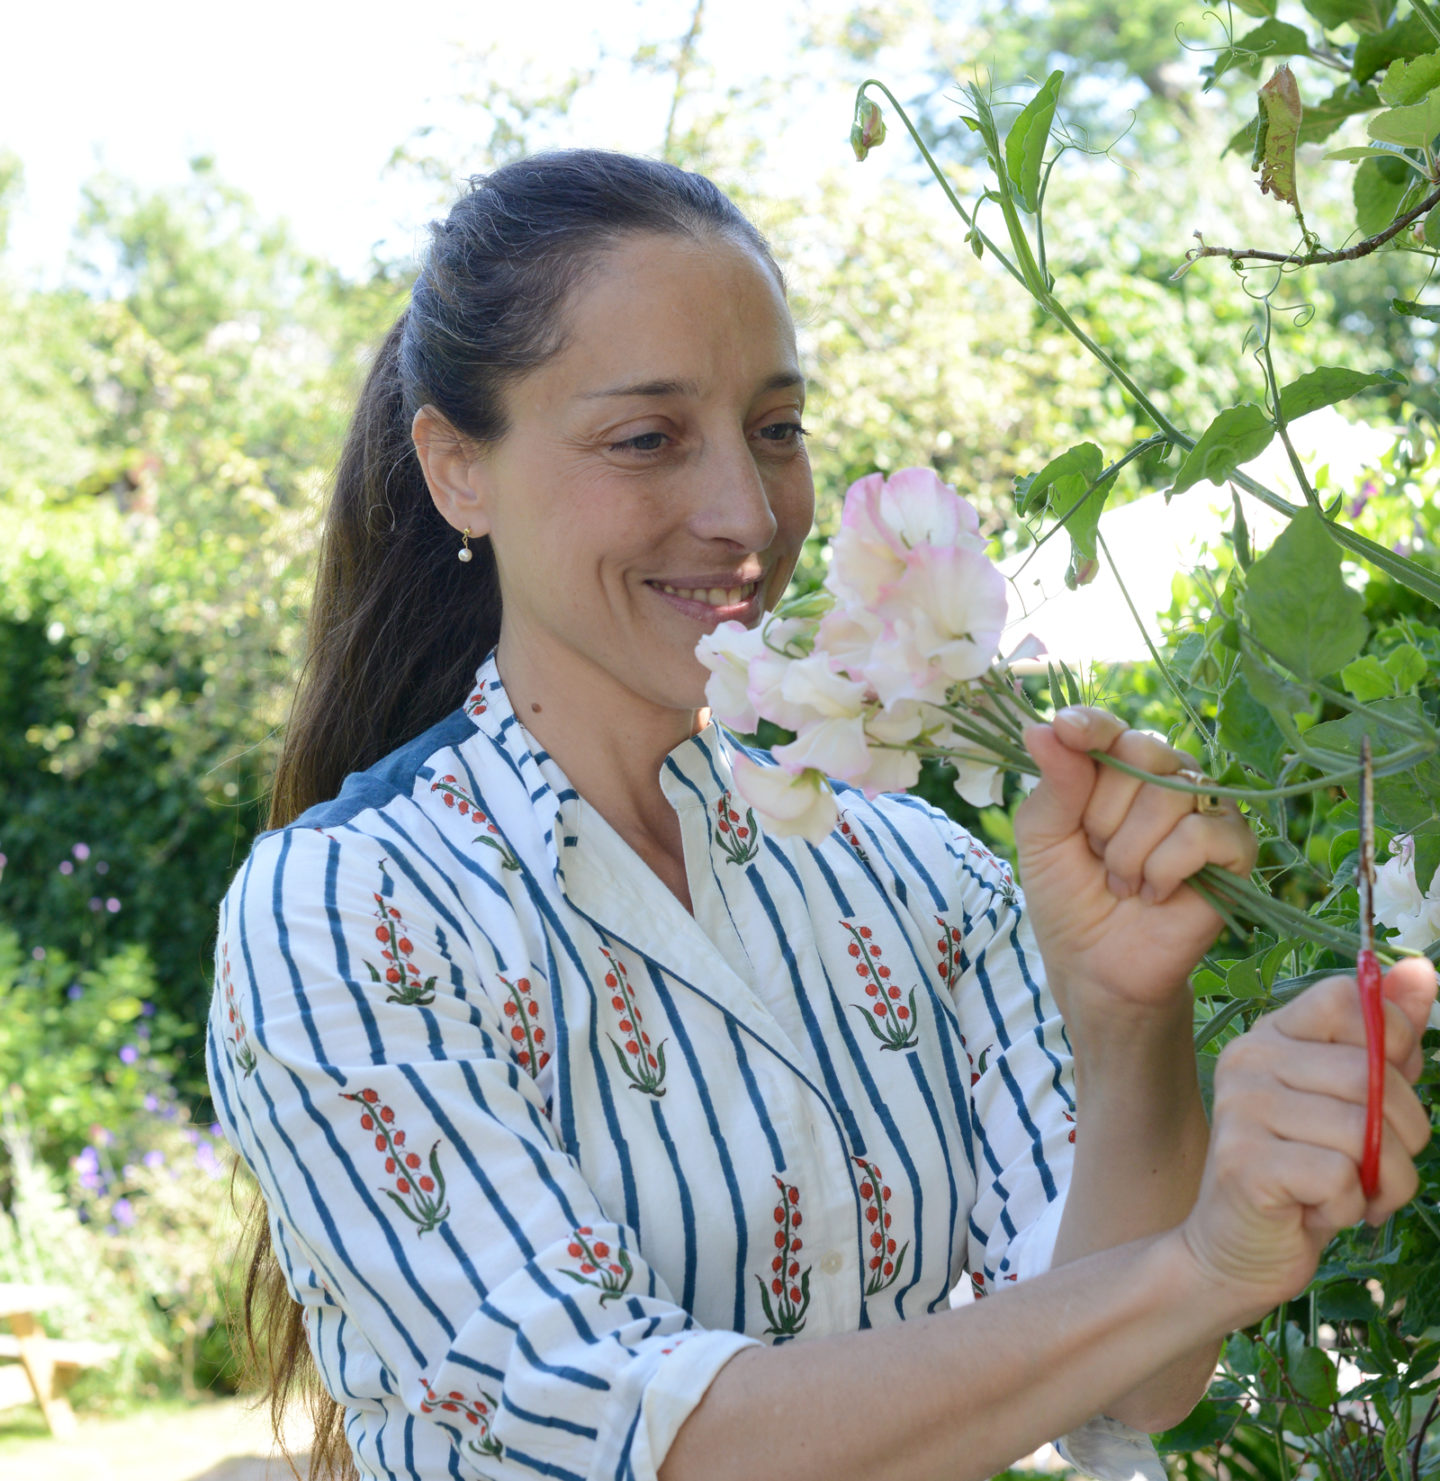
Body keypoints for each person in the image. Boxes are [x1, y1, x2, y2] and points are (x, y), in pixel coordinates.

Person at [210, 150, 1435, 1481]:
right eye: (646, 438)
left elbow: (1132, 1378)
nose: (747, 515)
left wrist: (1129, 1017)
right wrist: (1199, 1261)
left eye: (776, 429)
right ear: (457, 466)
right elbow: (654, 1445)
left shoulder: (920, 876)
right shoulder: (350, 910)